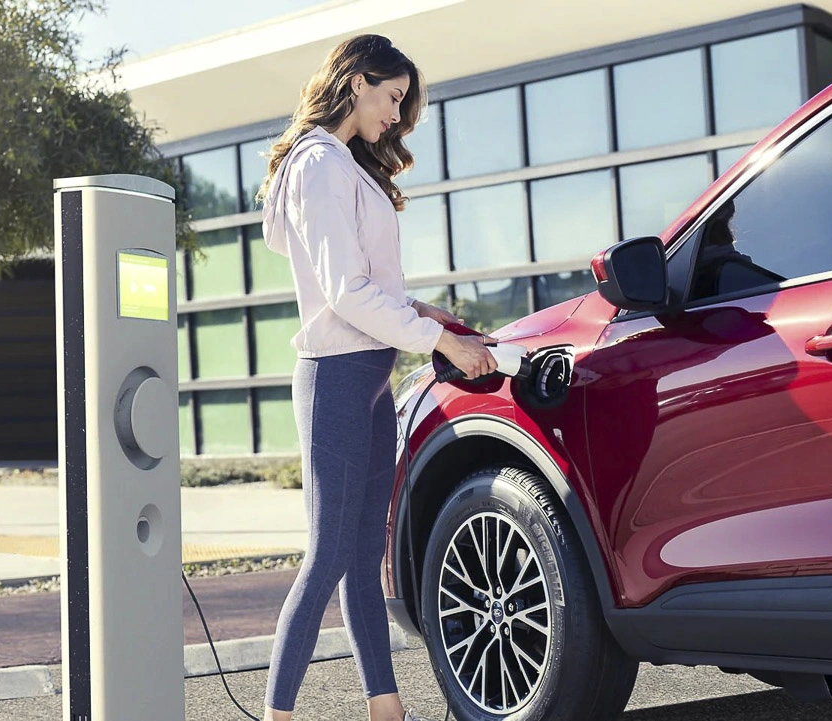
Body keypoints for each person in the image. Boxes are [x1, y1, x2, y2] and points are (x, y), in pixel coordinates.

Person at [255, 33, 496, 721]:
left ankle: (385, 710)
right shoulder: (317, 163)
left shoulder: (345, 166)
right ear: (358, 81)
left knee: (363, 557)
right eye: (392, 98)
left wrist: (425, 313)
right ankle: (278, 715)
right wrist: (438, 340)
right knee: (327, 553)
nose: (395, 116)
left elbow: (368, 287)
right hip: (335, 375)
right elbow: (345, 293)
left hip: (369, 377)